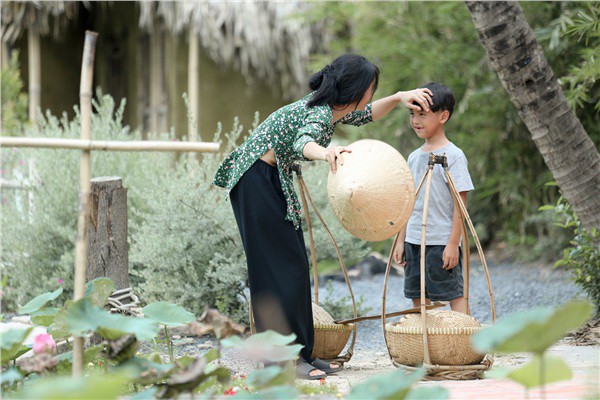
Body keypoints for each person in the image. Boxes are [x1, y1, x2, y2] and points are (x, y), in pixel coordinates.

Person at [213, 54, 433, 380]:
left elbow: (367, 115)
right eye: (371, 88)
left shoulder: (333, 109)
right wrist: (325, 152)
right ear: (356, 88)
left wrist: (400, 98)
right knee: (278, 270)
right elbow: (305, 141)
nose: (372, 95)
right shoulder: (319, 114)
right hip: (253, 179)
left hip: (268, 178)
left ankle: (302, 353)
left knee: (296, 267)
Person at [393, 82, 473, 314]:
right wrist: (400, 241)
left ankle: (464, 340)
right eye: (412, 114)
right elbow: (407, 202)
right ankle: (428, 345)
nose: (416, 120)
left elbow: (460, 205)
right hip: (414, 240)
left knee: (452, 293)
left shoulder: (454, 156)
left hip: (440, 240)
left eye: (422, 114)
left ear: (443, 116)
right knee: (417, 296)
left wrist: (452, 244)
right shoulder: (413, 157)